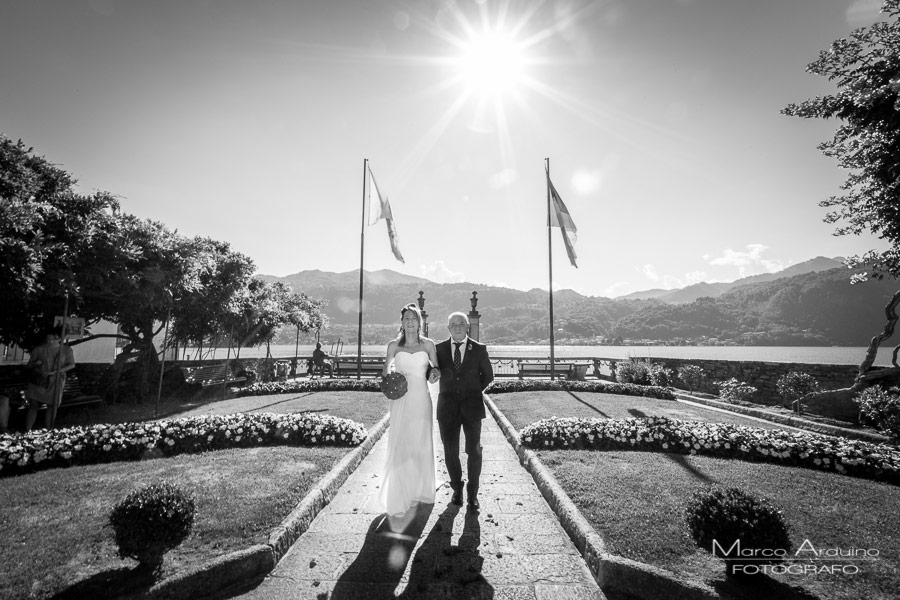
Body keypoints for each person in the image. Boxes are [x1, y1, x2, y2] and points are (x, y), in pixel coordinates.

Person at [379, 303, 441, 516]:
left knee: (421, 441)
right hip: (401, 401)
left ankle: (421, 489)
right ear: (402, 322)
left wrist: (434, 374)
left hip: (422, 399)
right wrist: (390, 383)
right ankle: (401, 492)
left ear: (419, 322)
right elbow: (385, 372)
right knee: (403, 442)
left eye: (413, 318)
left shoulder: (429, 345)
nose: (410, 322)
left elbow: (436, 370)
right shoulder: (393, 346)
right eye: (406, 318)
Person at [435, 312, 494, 511]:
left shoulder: (479, 349)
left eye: (461, 323)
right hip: (447, 410)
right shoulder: (439, 349)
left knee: (474, 451)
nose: (457, 327)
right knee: (450, 452)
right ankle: (457, 490)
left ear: (467, 326)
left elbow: (488, 375)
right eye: (453, 324)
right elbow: (430, 370)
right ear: (448, 328)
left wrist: (473, 391)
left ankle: (473, 494)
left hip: (472, 409)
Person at [25, 329, 75, 431]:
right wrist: (36, 364)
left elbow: (72, 365)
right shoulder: (39, 350)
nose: (50, 341)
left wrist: (56, 372)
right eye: (48, 338)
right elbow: (29, 366)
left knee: (52, 406)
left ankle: (49, 429)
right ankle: (27, 430)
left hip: (55, 381)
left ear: (60, 338)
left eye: (53, 339)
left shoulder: (66, 350)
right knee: (33, 405)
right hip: (39, 380)